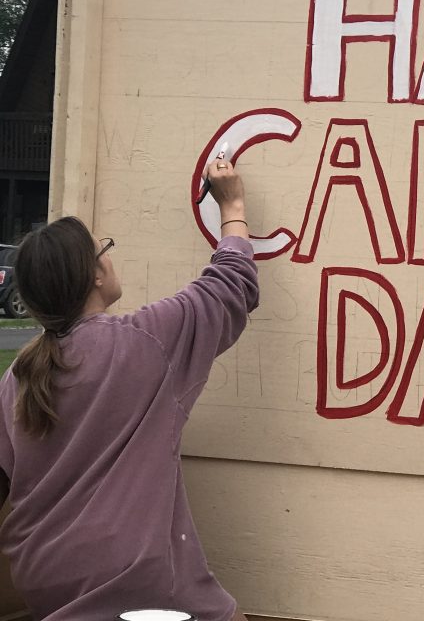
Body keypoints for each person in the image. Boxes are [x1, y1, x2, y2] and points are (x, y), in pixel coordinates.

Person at [0, 160, 258, 620]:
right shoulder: (145, 343)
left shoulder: (19, 372)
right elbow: (229, 287)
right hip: (136, 576)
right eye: (104, 249)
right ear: (95, 275)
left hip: (41, 576)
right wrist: (233, 206)